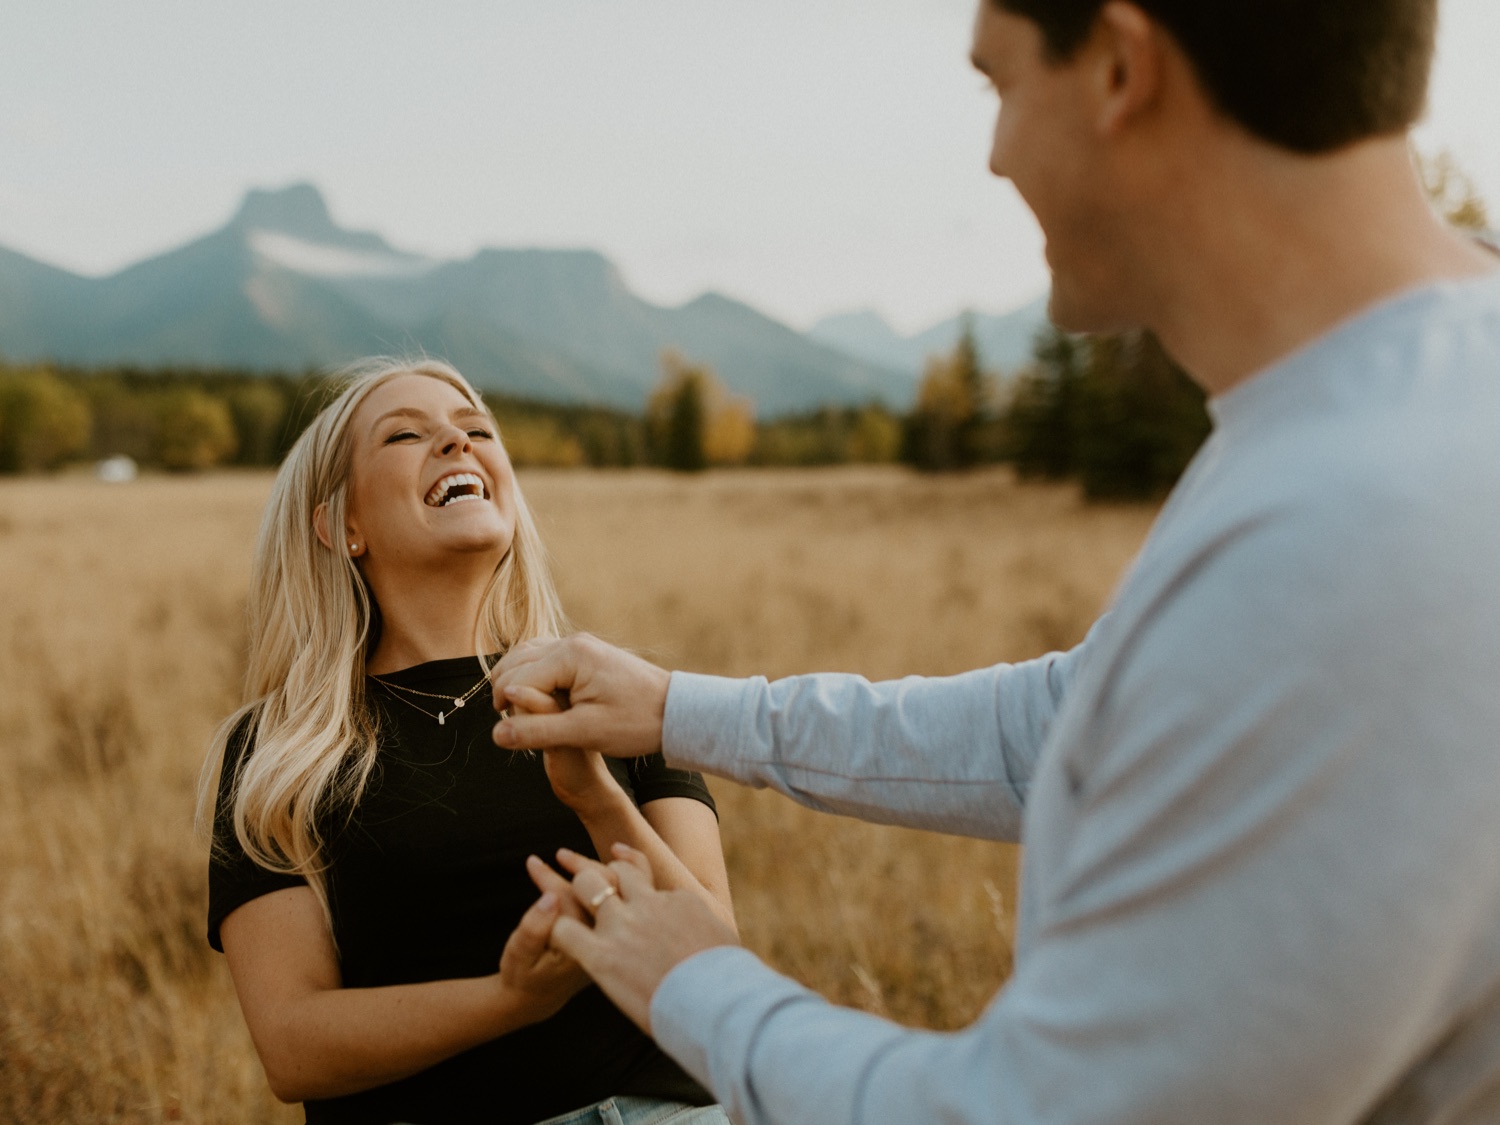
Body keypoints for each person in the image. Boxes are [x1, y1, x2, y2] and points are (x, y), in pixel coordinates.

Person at [487, 1, 1500, 1122]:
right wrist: (682, 708)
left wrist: (695, 984)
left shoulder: (1344, 534)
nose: (995, 150)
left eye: (999, 85)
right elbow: (1073, 723)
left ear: (1119, 67)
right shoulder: (1406, 403)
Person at [200, 358, 735, 1125]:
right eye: (407, 433)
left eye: (477, 429)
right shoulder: (280, 750)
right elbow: (292, 1046)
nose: (457, 441)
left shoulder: (616, 689)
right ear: (342, 525)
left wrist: (593, 793)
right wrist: (509, 999)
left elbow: (717, 965)